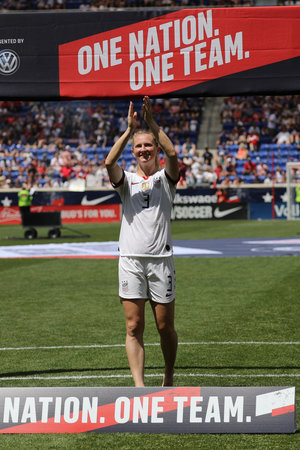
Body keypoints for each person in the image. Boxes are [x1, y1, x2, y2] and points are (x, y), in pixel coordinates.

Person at [105, 96, 179, 387]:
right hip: (131, 261)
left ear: (156, 148)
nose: (144, 150)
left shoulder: (166, 178)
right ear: (133, 152)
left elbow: (173, 155)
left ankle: (169, 376)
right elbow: (109, 161)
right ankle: (139, 388)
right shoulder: (126, 181)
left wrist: (151, 124)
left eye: (148, 145)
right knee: (134, 325)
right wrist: (128, 131)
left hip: (161, 262)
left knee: (164, 327)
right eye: (139, 147)